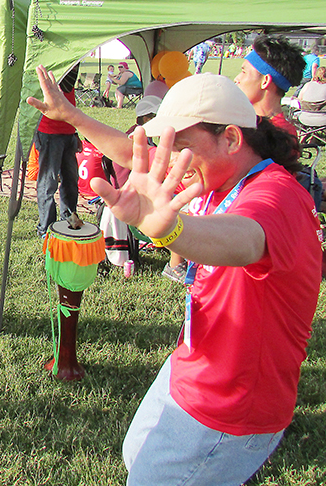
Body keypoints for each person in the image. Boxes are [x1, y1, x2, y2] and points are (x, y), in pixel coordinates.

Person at [28, 68, 321, 485]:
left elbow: (244, 240)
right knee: (136, 454)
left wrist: (170, 230)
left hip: (229, 403)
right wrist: (71, 115)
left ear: (232, 138)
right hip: (194, 363)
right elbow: (136, 156)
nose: (173, 163)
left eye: (181, 147)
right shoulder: (221, 174)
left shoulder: (273, 197)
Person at [35, 64, 80, 237]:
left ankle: (69, 222)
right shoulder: (57, 60)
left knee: (70, 181)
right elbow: (67, 84)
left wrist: (75, 131)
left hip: (68, 129)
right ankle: (46, 230)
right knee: (48, 183)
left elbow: (68, 92)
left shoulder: (73, 57)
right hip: (49, 131)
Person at [234, 34, 305, 143]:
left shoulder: (277, 135)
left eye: (244, 72)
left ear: (265, 81)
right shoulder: (248, 122)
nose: (237, 79)